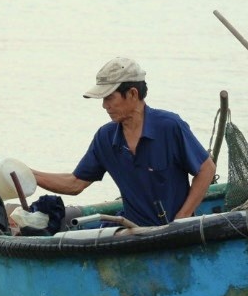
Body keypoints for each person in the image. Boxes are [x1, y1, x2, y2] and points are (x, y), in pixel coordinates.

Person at [31, 57, 216, 227]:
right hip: (132, 230)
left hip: (173, 231)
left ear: (133, 94)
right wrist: (30, 175)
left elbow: (206, 169)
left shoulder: (169, 126)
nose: (105, 105)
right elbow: (75, 183)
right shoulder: (105, 137)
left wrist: (182, 218)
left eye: (109, 97)